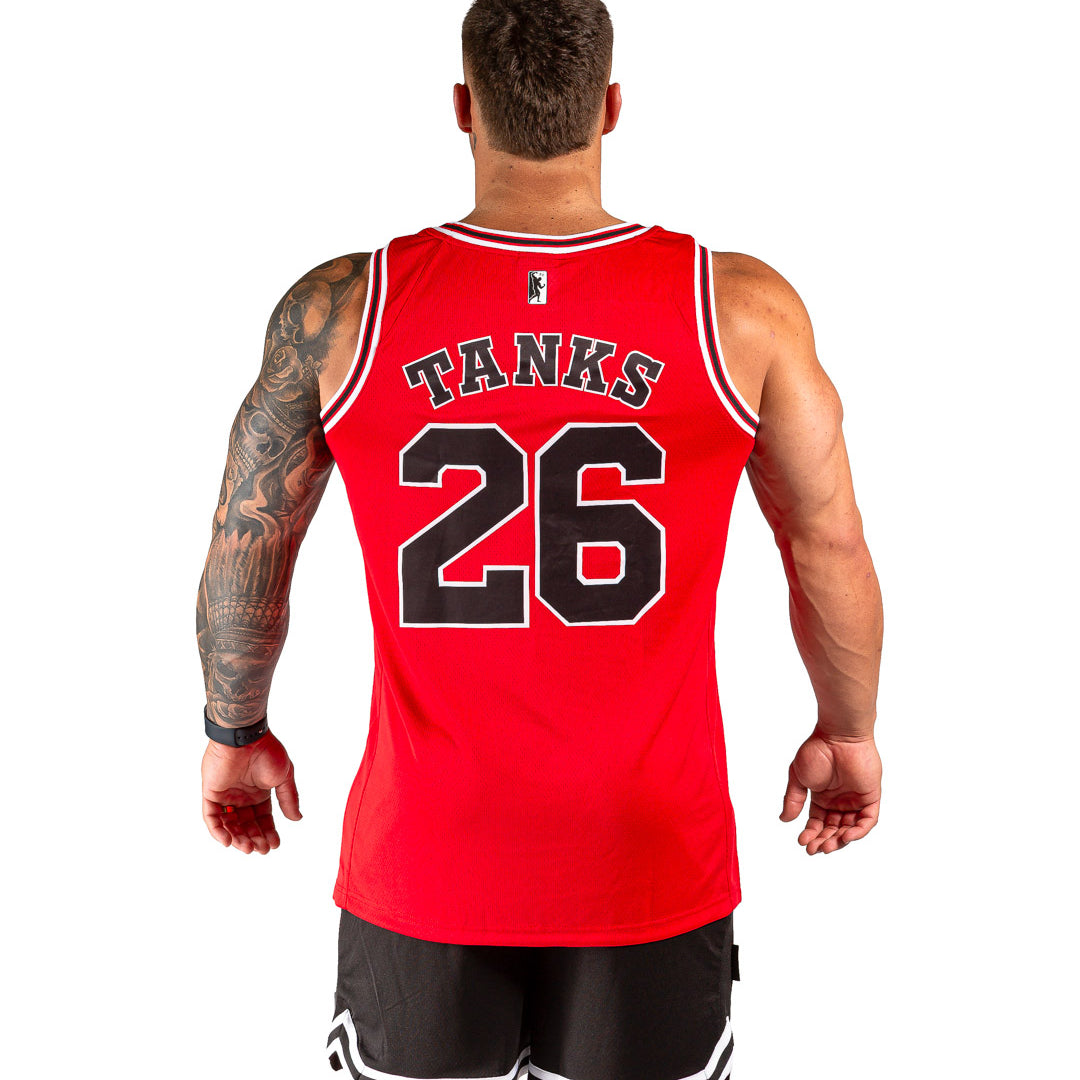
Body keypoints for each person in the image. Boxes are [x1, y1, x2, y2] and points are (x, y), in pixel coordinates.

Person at [195, 1, 884, 1077]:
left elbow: (251, 538)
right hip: (649, 849)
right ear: (611, 108)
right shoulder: (741, 310)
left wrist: (234, 729)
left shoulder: (343, 309)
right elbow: (826, 545)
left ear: (463, 109)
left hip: (427, 852)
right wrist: (847, 729)